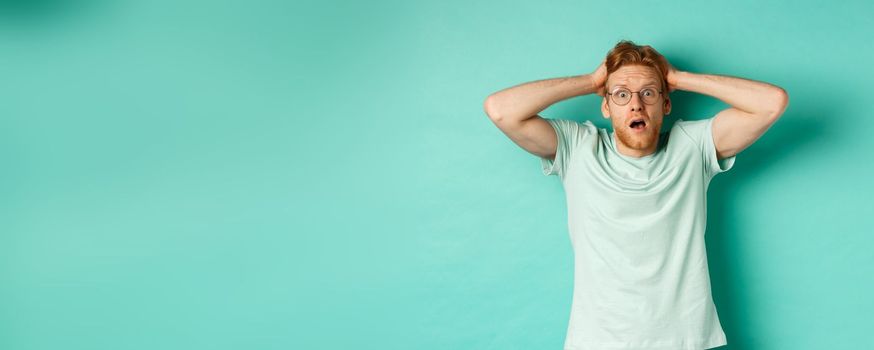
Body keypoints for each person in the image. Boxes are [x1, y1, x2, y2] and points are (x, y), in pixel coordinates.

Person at [482, 40, 788, 350]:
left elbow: (772, 102)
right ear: (606, 105)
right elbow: (501, 110)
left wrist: (679, 78)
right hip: (599, 341)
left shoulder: (692, 147)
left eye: (648, 93)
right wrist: (591, 82)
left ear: (665, 103)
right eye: (622, 94)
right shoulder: (577, 147)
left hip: (684, 341)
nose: (636, 105)